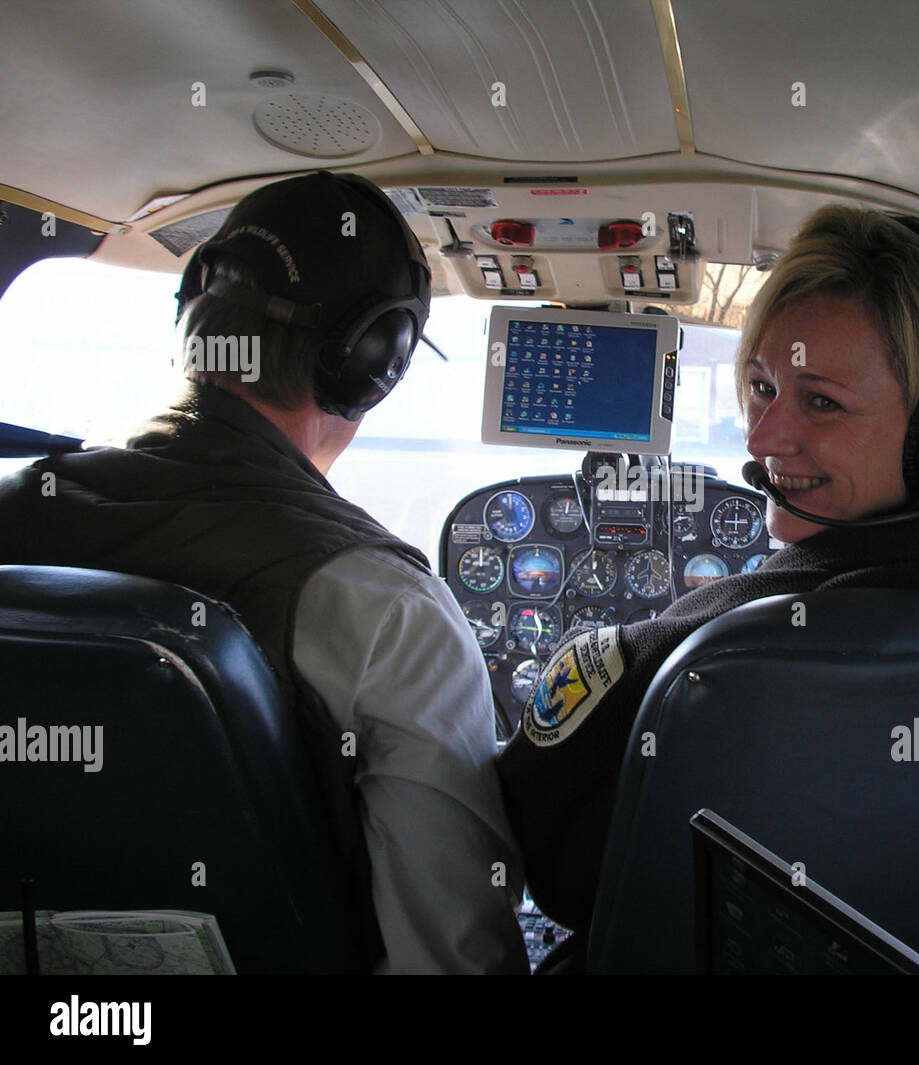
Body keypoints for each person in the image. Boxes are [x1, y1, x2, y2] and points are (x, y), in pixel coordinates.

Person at [497, 204, 919, 965]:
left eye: (821, 401)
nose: (761, 441)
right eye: (761, 386)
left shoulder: (702, 646)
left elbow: (554, 874)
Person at [0, 172, 528, 973]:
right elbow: (449, 957)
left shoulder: (15, 509)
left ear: (191, 307)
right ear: (374, 362)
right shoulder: (389, 615)